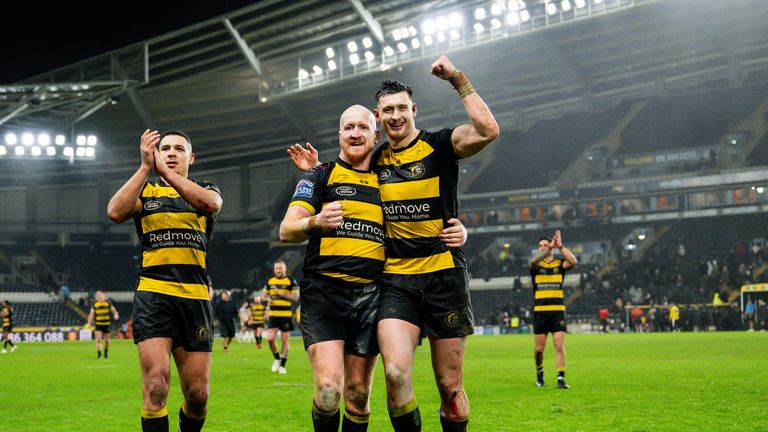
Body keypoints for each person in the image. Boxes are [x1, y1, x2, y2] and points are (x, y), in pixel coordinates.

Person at [289, 55, 498, 431]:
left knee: (450, 387)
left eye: (402, 107)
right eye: (388, 110)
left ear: (413, 110)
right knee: (396, 374)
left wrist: (457, 79)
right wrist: (316, 174)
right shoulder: (376, 160)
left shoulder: (439, 145)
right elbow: (341, 174)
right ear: (379, 117)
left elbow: (487, 131)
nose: (396, 115)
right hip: (395, 281)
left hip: (443, 274)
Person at [107, 129, 222, 432]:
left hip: (195, 299)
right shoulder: (145, 192)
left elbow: (210, 205)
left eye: (178, 149)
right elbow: (114, 212)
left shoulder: (206, 188)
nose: (171, 153)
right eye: (165, 148)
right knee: (156, 385)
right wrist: (145, 168)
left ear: (191, 157)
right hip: (154, 297)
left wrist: (167, 176)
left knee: (198, 396)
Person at [280, 104, 385, 431]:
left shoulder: (388, 180)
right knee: (328, 391)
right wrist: (316, 220)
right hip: (324, 293)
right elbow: (286, 230)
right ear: (339, 135)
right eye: (348, 128)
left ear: (375, 135)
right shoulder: (320, 175)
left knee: (358, 395)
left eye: (362, 128)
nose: (355, 134)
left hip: (372, 296)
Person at [529, 230, 578, 389]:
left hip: (557, 311)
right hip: (540, 312)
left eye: (545, 245)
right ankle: (539, 371)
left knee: (558, 345)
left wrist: (560, 246)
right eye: (541, 246)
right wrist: (548, 249)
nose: (543, 247)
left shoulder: (559, 264)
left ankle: (560, 378)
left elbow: (573, 261)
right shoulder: (536, 266)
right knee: (538, 350)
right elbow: (532, 262)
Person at [264, 260, 299, 374]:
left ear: (285, 269)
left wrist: (280, 294)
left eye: (280, 268)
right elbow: (264, 295)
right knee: (270, 339)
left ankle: (283, 366)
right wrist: (267, 298)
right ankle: (277, 358)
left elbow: (295, 298)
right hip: (273, 315)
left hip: (285, 315)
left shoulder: (291, 281)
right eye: (276, 268)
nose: (278, 270)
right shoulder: (270, 281)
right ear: (274, 270)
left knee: (285, 341)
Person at [87, 290, 119, 359]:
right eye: (97, 295)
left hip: (106, 324)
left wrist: (116, 315)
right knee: (98, 340)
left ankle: (105, 353)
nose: (98, 296)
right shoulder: (95, 304)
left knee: (107, 341)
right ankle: (99, 355)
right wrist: (89, 323)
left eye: (100, 294)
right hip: (98, 324)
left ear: (103, 295)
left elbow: (114, 310)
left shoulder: (108, 303)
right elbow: (91, 314)